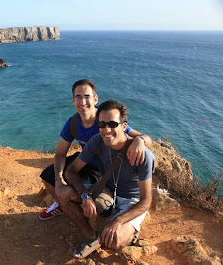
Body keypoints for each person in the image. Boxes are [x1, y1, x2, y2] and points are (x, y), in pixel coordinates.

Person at [39, 79, 152, 221]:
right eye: (78, 97)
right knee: (47, 176)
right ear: (73, 100)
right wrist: (59, 179)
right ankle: (63, 205)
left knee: (79, 189)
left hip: (103, 167)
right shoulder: (73, 122)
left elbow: (145, 137)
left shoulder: (106, 120)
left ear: (95, 99)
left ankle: (82, 207)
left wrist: (140, 140)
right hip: (84, 161)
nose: (83, 101)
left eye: (87, 96)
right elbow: (60, 153)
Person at [57, 99, 155, 259]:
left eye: (112, 124)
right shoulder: (97, 141)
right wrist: (84, 196)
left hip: (131, 202)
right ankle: (91, 236)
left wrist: (118, 222)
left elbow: (145, 201)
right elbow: (71, 171)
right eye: (102, 124)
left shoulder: (143, 156)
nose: (106, 130)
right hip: (106, 191)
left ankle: (129, 231)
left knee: (114, 241)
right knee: (62, 193)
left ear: (124, 126)